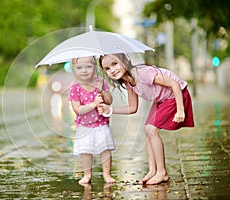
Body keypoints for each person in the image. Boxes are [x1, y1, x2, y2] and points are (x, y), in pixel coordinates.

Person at [97, 53, 194, 185]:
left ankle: (162, 172)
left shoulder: (142, 73)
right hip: (161, 99)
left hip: (175, 95)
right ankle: (153, 170)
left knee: (151, 129)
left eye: (115, 64)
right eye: (107, 68)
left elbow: (174, 84)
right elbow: (132, 107)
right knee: (147, 130)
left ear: (126, 60)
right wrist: (111, 109)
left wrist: (180, 109)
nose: (112, 70)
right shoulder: (129, 82)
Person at [68, 56, 116, 185]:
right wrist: (93, 104)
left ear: (95, 68)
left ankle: (107, 174)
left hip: (101, 124)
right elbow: (77, 109)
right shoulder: (75, 88)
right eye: (79, 68)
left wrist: (101, 90)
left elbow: (109, 101)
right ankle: (87, 174)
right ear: (74, 70)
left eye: (88, 66)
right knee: (86, 151)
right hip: (84, 126)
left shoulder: (100, 82)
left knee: (105, 149)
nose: (84, 70)